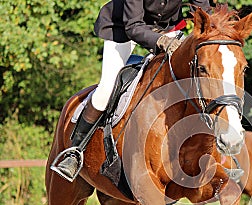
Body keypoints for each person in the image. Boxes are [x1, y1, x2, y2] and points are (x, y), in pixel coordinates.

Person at [52, 0, 212, 181]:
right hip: (122, 30)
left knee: (198, 77)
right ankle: (75, 152)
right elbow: (133, 26)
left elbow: (204, 11)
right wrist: (160, 41)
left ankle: (212, 149)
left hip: (168, 29)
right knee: (106, 91)